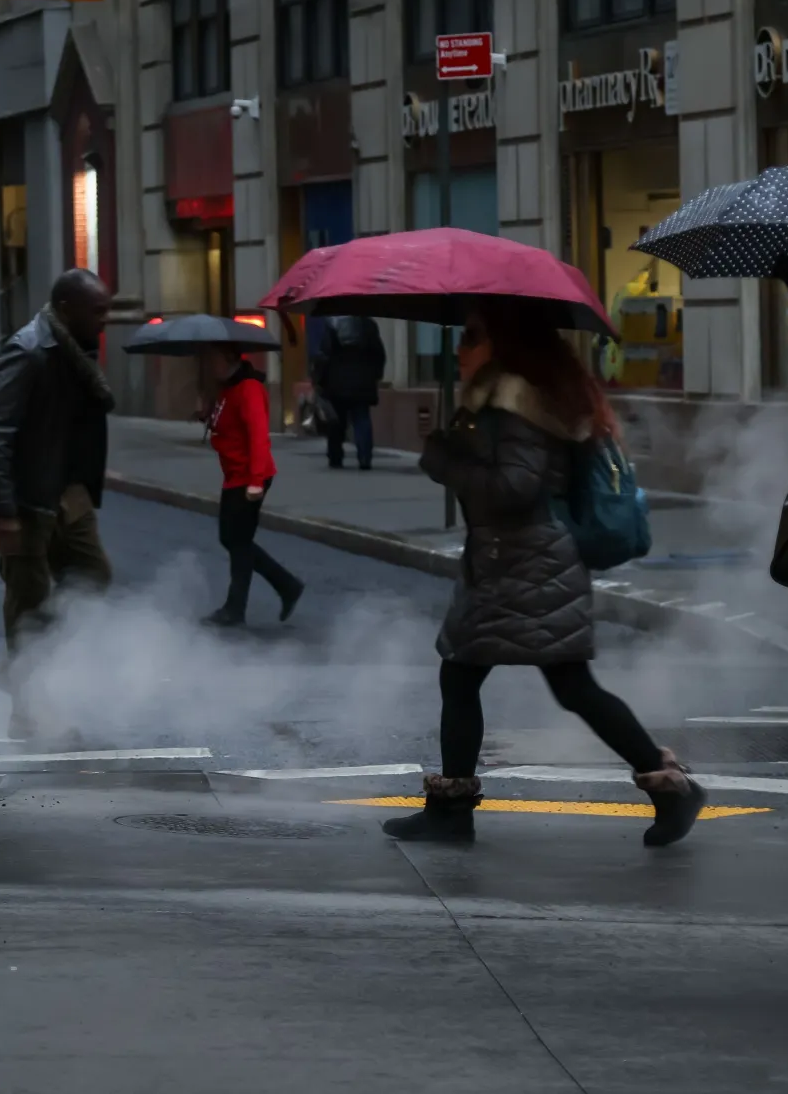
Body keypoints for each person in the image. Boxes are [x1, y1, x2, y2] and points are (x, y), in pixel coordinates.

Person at [381, 298, 706, 849]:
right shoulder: (508, 398)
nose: (460, 348)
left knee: (553, 683)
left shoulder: (515, 400)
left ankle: (668, 786)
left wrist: (445, 462)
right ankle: (454, 809)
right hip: (512, 561)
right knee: (475, 675)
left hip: (528, 562)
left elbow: (515, 485)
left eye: (472, 335)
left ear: (503, 342)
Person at [0, 269, 116, 735]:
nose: (105, 321)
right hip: (27, 496)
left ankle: (22, 672)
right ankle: (28, 713)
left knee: (93, 577)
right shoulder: (29, 351)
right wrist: (2, 510)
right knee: (28, 601)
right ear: (68, 309)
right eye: (98, 311)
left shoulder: (74, 352)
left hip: (66, 491)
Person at [200, 344, 304, 627]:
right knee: (232, 538)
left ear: (231, 358)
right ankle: (287, 586)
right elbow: (225, 425)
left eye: (215, 358)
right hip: (234, 474)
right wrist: (206, 414)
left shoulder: (249, 389)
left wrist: (256, 482)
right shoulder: (225, 388)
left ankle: (236, 608)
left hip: (250, 475)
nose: (211, 365)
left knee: (238, 541)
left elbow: (259, 437)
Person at [308, 313, 386, 470]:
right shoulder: (368, 325)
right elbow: (379, 354)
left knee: (336, 421)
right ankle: (365, 457)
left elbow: (324, 356)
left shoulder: (331, 325)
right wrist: (375, 375)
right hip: (363, 381)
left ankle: (335, 456)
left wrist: (319, 381)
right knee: (362, 419)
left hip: (336, 381)